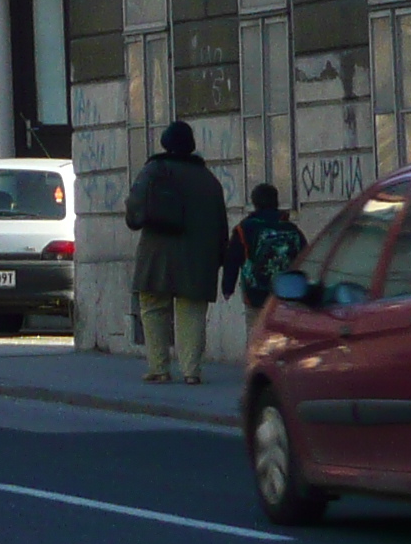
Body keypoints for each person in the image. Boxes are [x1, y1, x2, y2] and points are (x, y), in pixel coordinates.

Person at [122, 120, 230, 384]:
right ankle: (191, 370)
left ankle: (159, 367)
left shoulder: (155, 169)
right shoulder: (209, 179)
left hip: (157, 252)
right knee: (191, 310)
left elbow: (135, 206)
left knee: (153, 306)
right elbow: (220, 222)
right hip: (197, 257)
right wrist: (218, 258)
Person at [227, 182, 306, 323]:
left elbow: (232, 260)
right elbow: (307, 259)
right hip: (286, 296)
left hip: (255, 296)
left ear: (254, 202)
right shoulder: (291, 229)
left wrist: (227, 287)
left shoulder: (244, 229)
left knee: (256, 333)